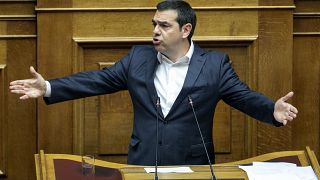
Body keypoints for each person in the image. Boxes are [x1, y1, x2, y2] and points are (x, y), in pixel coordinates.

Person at [9, 0, 298, 166]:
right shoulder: (138, 58)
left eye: (164, 25)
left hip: (193, 165)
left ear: (186, 29)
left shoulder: (214, 64)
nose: (156, 31)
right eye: (154, 24)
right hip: (143, 161)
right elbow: (98, 80)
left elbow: (241, 95)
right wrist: (48, 87)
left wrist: (271, 109)